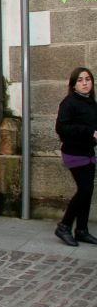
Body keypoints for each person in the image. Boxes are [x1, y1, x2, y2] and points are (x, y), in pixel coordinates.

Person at [54, 67, 97, 246]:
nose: (85, 83)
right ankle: (64, 226)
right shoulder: (69, 103)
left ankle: (81, 230)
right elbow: (61, 128)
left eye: (87, 79)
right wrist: (89, 132)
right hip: (73, 152)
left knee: (87, 192)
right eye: (80, 80)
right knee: (84, 190)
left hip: (88, 152)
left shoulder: (91, 102)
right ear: (73, 85)